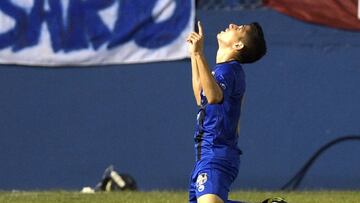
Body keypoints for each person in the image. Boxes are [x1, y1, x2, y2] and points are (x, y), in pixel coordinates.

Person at [186, 21, 267, 203]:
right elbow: (202, 97)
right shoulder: (224, 71)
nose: (232, 24)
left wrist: (199, 53)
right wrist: (194, 55)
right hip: (207, 154)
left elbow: (214, 97)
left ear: (238, 45)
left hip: (216, 153)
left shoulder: (229, 70)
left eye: (239, 28)